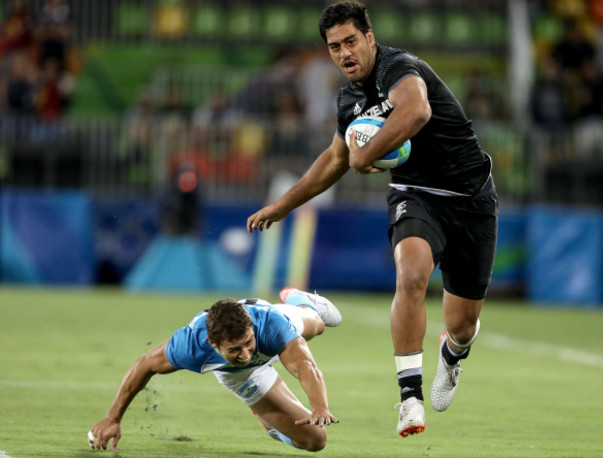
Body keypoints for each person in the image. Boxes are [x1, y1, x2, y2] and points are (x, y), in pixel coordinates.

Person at [246, 2, 498, 438]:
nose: (344, 53)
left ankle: (453, 355)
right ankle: (409, 397)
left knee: (462, 324)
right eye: (333, 47)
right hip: (415, 195)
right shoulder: (348, 99)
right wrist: (284, 205)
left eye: (350, 42)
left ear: (369, 38)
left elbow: (416, 111)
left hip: (472, 198)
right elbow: (335, 158)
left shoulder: (398, 68)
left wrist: (366, 151)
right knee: (412, 273)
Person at [87, 288, 342, 452]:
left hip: (273, 327)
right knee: (314, 441)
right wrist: (113, 418)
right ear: (213, 344)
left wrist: (320, 406)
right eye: (234, 350)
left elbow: (306, 366)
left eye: (247, 343)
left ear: (251, 328)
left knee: (319, 323)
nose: (245, 354)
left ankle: (302, 300)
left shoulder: (271, 325)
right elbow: (143, 365)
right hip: (241, 376)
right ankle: (269, 421)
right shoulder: (191, 346)